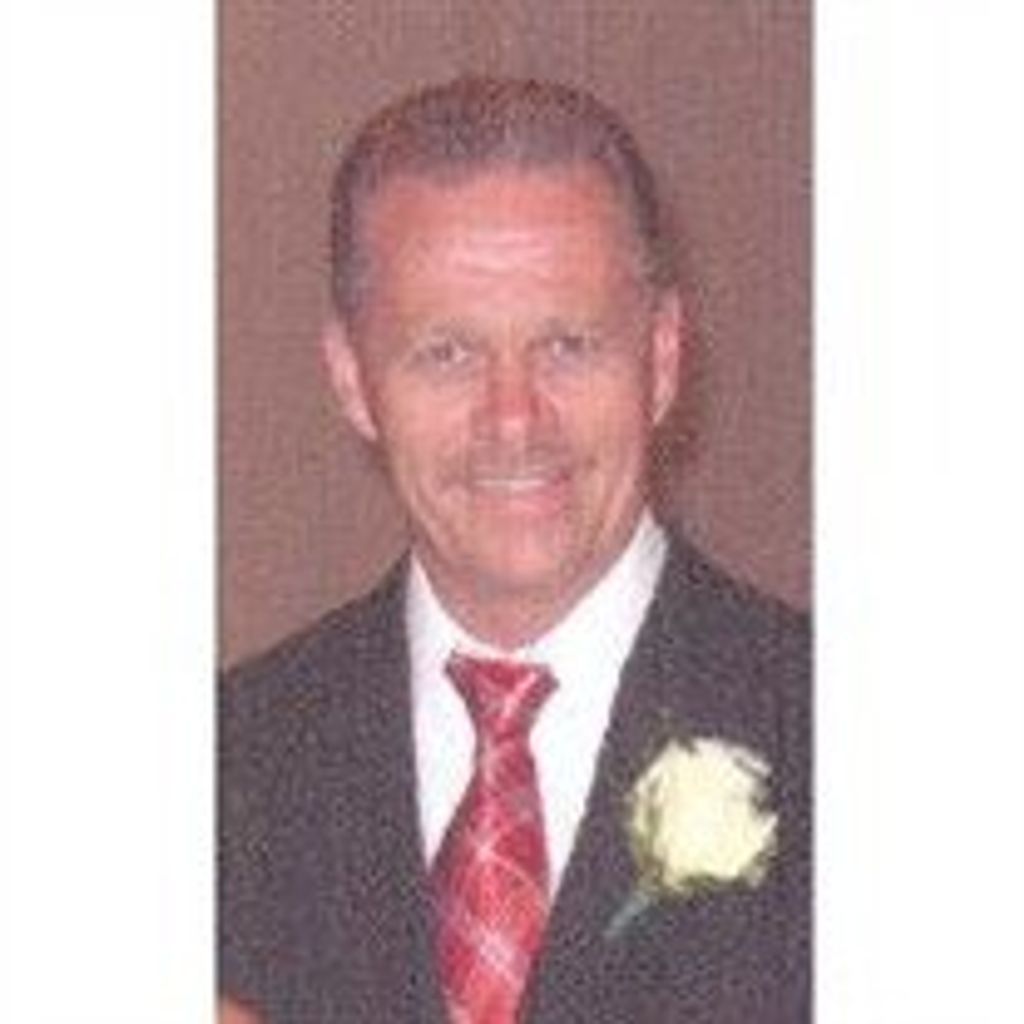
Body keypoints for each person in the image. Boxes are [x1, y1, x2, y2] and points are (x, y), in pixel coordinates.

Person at [219, 76, 810, 1024]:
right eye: (446, 353)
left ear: (661, 358)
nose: (513, 420)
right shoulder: (227, 765)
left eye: (568, 345)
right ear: (353, 381)